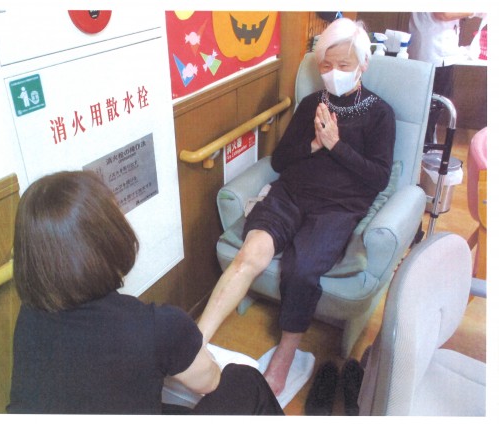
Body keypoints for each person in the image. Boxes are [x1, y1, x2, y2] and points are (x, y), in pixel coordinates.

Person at [197, 18, 396, 396]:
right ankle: (195, 341)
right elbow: (280, 160)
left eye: (343, 65)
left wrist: (337, 146)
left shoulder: (380, 114)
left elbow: (378, 177)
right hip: (291, 194)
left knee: (303, 269)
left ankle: (285, 356)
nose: (333, 73)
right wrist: (313, 145)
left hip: (339, 207)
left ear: (363, 64)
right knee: (250, 254)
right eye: (326, 65)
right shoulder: (310, 105)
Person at [6, 170, 283, 415]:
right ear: (111, 239)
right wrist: (186, 348)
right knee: (245, 380)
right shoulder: (156, 326)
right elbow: (210, 381)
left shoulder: (29, 316)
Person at [408, 12, 485, 144]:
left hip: (431, 50)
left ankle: (425, 143)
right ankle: (424, 147)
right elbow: (443, 13)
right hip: (434, 52)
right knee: (432, 105)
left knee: (431, 106)